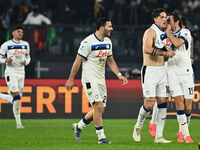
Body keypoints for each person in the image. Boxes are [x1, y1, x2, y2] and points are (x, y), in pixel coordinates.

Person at [65, 17, 128, 144]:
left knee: (99, 110)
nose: (112, 28)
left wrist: (119, 74)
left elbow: (110, 60)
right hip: (89, 79)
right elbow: (77, 61)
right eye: (109, 26)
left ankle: (78, 126)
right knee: (98, 106)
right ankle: (101, 138)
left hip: (100, 79)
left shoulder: (108, 41)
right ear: (101, 28)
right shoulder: (87, 42)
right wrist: (71, 79)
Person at [132, 8, 175, 143]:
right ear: (155, 19)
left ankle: (159, 136)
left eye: (166, 17)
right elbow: (147, 49)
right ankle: (138, 125)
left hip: (162, 71)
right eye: (162, 17)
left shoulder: (165, 34)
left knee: (162, 103)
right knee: (149, 105)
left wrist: (168, 54)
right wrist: (165, 53)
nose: (164, 19)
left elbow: (164, 55)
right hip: (150, 71)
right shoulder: (150, 31)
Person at [166, 10, 194, 143]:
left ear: (177, 21)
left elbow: (177, 44)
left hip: (187, 72)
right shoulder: (164, 36)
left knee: (188, 107)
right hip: (172, 72)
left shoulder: (185, 32)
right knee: (179, 104)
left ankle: (182, 130)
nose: (167, 23)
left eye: (170, 21)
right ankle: (186, 136)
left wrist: (167, 32)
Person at [0, 25, 31, 129]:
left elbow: (28, 56)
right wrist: (5, 61)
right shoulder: (6, 45)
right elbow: (0, 58)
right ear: (13, 33)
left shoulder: (25, 44)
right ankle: (19, 124)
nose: (20, 33)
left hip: (21, 73)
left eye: (22, 32)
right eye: (18, 31)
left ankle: (0, 95)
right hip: (11, 72)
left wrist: (27, 61)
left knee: (16, 99)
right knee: (17, 98)